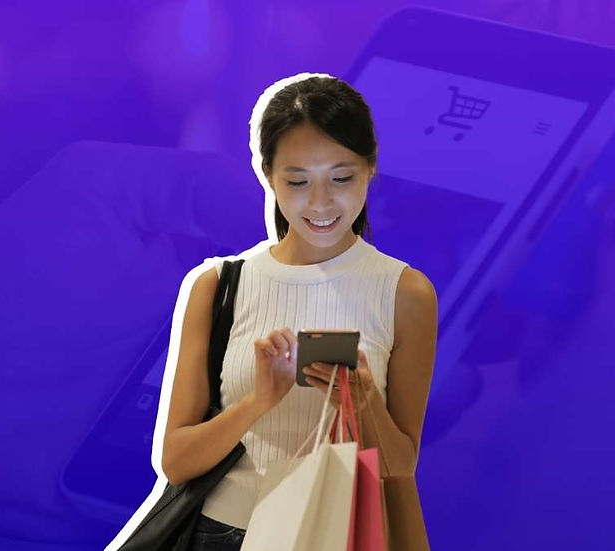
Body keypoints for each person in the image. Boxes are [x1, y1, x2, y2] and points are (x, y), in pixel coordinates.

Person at [158, 74, 439, 551]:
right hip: (220, 534)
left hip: (337, 534)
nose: (321, 202)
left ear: (370, 169)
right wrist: (259, 401)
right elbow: (177, 461)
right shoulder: (217, 285)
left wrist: (365, 399)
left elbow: (400, 469)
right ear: (267, 175)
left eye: (342, 177)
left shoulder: (405, 292)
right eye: (298, 181)